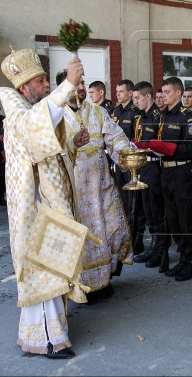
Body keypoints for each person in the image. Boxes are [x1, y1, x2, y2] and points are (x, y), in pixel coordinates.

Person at [0, 48, 89, 359]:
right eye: (40, 81)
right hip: (35, 212)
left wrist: (70, 144)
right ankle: (50, 341)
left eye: (46, 80)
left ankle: (48, 335)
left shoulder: (30, 113)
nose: (46, 85)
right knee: (45, 272)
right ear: (24, 88)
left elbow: (49, 151)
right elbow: (35, 130)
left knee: (53, 270)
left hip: (47, 207)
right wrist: (68, 83)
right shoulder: (17, 119)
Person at [56, 70, 133, 302]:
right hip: (72, 190)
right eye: (75, 84)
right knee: (76, 236)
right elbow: (48, 152)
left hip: (100, 187)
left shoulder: (98, 112)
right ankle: (78, 286)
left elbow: (116, 137)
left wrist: (126, 152)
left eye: (82, 83)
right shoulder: (54, 116)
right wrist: (71, 145)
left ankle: (104, 280)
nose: (80, 88)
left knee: (109, 229)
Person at [150, 77, 192, 282]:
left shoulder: (187, 118)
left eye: (167, 92)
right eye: (162, 91)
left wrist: (169, 150)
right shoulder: (163, 116)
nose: (163, 95)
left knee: (186, 218)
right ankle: (183, 256)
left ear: (178, 94)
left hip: (182, 172)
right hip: (167, 172)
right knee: (173, 219)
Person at [131, 82, 167, 268]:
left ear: (147, 96)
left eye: (137, 97)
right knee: (147, 209)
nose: (135, 101)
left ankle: (161, 247)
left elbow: (160, 144)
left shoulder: (157, 116)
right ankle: (154, 245)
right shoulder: (142, 117)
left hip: (155, 167)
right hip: (143, 166)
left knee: (156, 208)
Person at [112, 79, 145, 254]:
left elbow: (135, 139)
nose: (118, 94)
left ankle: (137, 237)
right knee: (123, 201)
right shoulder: (116, 112)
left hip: (132, 164)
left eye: (121, 92)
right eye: (116, 92)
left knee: (135, 202)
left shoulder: (135, 112)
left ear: (130, 93)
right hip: (119, 162)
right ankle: (127, 235)